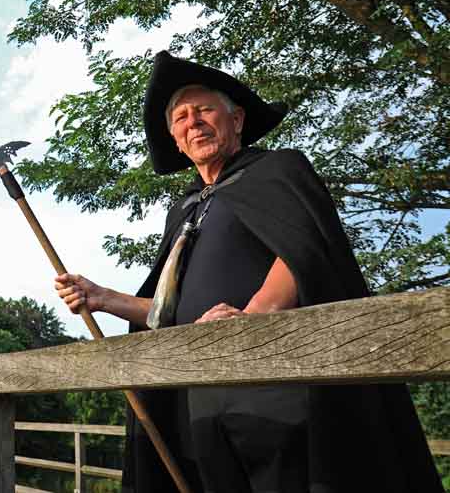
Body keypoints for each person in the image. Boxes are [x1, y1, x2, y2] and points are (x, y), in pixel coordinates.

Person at [55, 51, 441, 492]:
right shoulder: (182, 210)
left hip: (275, 384)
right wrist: (103, 297)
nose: (193, 122)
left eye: (204, 110)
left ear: (236, 120)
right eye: (181, 117)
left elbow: (305, 250)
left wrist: (252, 320)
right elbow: (169, 311)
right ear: (175, 139)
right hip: (198, 396)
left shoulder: (277, 170)